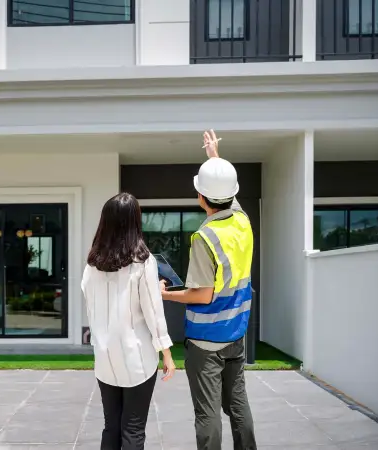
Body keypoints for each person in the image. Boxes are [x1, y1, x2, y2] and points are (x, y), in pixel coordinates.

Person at [160, 130, 256, 450]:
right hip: (236, 334)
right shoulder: (242, 222)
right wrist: (214, 158)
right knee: (238, 406)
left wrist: (164, 294)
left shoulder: (205, 238)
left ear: (200, 198)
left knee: (208, 413)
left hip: (206, 342)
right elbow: (226, 194)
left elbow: (202, 295)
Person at [82, 192, 175, 450]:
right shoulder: (143, 263)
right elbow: (154, 312)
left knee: (111, 427)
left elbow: (91, 307)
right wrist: (166, 352)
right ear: (134, 222)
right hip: (137, 359)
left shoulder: (92, 264)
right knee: (133, 430)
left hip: (104, 356)